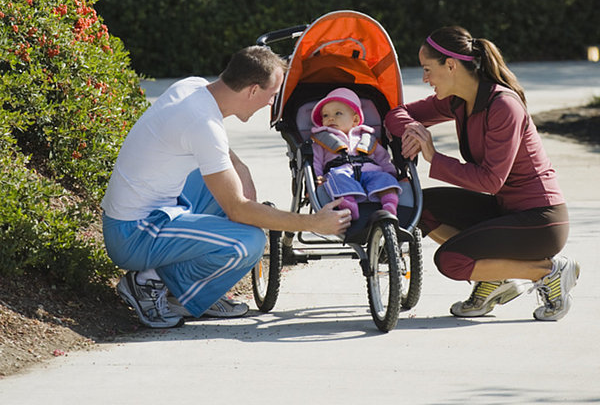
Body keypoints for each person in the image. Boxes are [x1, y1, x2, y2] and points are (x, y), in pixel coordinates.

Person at [102, 46, 351, 329]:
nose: (271, 104)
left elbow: (210, 147)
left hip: (142, 214)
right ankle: (149, 284)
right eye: (271, 95)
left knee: (226, 182)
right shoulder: (204, 124)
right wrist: (313, 222)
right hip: (133, 235)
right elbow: (238, 210)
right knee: (248, 242)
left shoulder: (196, 88)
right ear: (252, 91)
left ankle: (195, 290)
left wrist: (240, 167)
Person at [384, 26, 580, 321]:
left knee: (451, 261)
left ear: (450, 65)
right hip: (504, 211)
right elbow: (395, 114)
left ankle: (549, 271)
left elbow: (490, 180)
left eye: (427, 69)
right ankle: (496, 277)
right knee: (420, 208)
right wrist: (413, 130)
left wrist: (433, 157)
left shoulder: (503, 105)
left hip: (540, 220)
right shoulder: (458, 100)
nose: (424, 78)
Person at [311, 88, 403, 221]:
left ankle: (389, 204)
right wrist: (318, 177)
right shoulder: (322, 140)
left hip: (371, 171)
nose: (330, 118)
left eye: (338, 113)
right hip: (341, 172)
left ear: (355, 120)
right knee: (336, 178)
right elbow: (316, 161)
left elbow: (383, 158)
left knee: (385, 179)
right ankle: (349, 206)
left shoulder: (367, 137)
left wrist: (392, 173)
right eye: (325, 115)